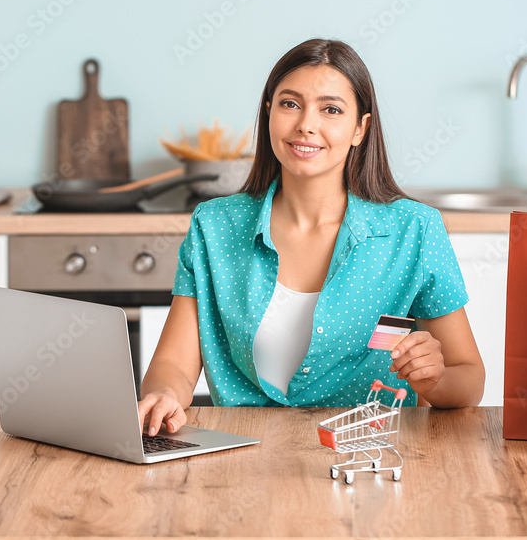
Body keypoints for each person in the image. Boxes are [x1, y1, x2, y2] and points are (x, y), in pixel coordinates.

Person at [138, 38, 485, 436]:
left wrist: (434, 379)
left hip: (365, 462)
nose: (306, 124)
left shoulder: (414, 230)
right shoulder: (214, 226)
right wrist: (163, 395)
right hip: (242, 464)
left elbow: (469, 377)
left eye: (331, 109)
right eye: (290, 104)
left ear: (360, 129)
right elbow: (174, 366)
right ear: (268, 113)